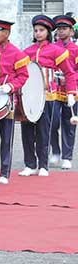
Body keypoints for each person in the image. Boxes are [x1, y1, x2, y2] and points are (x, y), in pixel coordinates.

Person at [20, 15, 76, 177]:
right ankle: (29, 164)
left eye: (42, 30)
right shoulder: (27, 51)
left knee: (44, 130)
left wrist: (71, 93)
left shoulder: (57, 51)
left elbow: (69, 73)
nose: (38, 33)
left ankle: (43, 165)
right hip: (29, 97)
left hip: (48, 96)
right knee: (27, 130)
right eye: (36, 30)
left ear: (48, 32)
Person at [0, 19, 29, 185]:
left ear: (7, 33)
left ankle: (5, 173)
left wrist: (11, 86)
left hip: (8, 100)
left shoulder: (17, 54)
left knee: (6, 138)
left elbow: (23, 76)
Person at [49, 15, 78, 169]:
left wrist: (72, 79)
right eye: (59, 29)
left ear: (71, 32)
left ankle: (67, 156)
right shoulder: (53, 48)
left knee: (69, 123)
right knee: (52, 122)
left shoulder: (76, 50)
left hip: (71, 90)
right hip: (54, 90)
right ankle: (55, 151)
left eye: (64, 28)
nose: (61, 31)